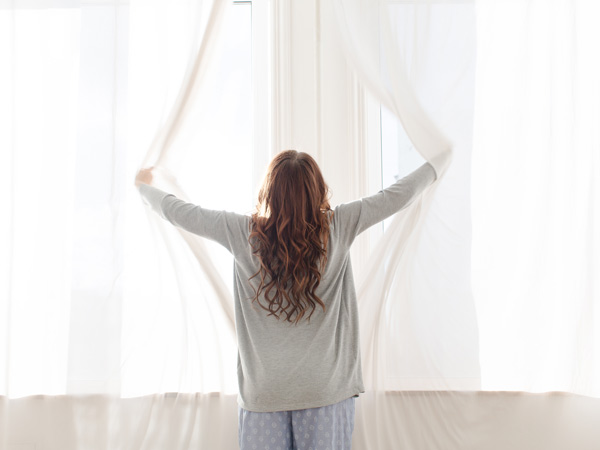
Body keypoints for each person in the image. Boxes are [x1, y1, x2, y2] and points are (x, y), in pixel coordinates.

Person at [135, 149, 438, 450]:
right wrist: (438, 163)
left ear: (268, 192)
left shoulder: (241, 232)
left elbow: (178, 211)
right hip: (325, 391)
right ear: (317, 190)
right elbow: (398, 195)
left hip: (265, 394)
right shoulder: (339, 225)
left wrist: (143, 187)